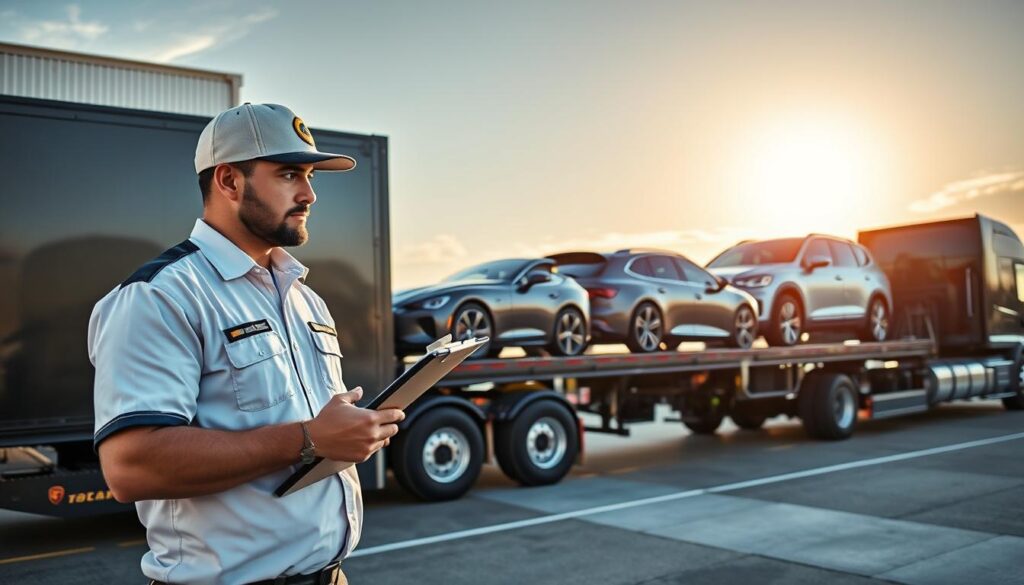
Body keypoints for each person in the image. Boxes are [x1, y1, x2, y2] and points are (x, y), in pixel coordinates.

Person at [88, 103, 404, 585]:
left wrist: (347, 431)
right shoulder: (160, 297)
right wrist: (310, 439)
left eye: (311, 176)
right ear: (230, 181)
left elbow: (304, 427)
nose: (310, 194)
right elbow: (131, 467)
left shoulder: (305, 300)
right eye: (289, 174)